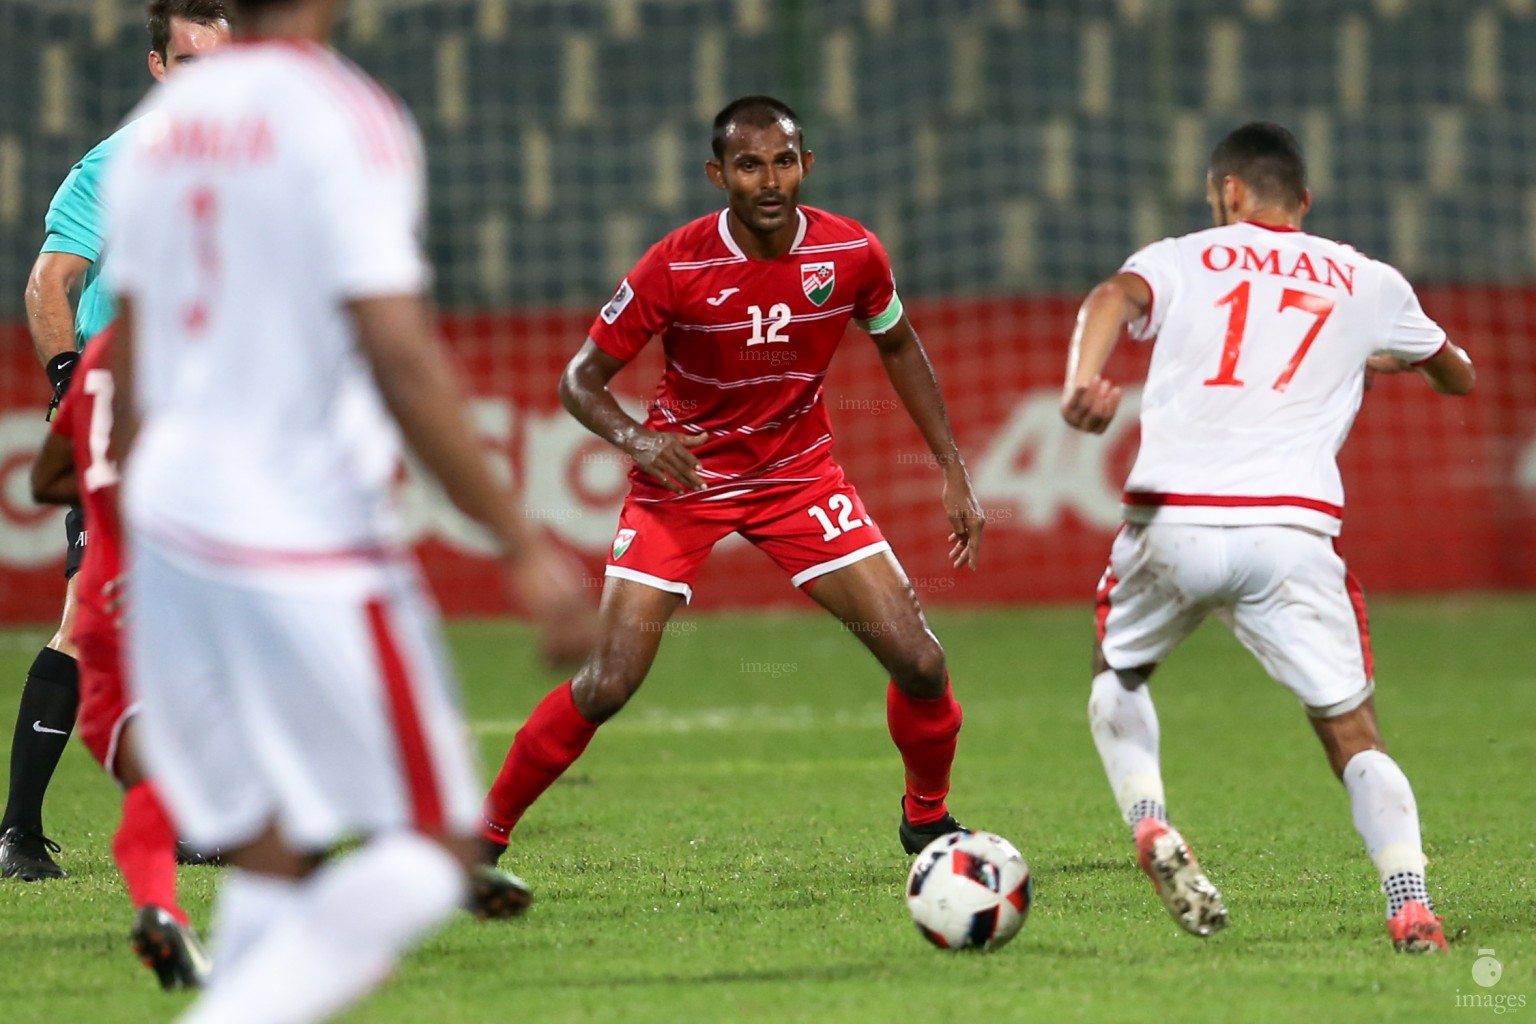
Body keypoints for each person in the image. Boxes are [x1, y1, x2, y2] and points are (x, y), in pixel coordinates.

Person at [103, 0, 594, 1019]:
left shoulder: (156, 133)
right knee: (430, 849)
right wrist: (519, 542)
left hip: (170, 518)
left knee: (272, 850)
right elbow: (399, 348)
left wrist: (135, 536)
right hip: (297, 530)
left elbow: (135, 350)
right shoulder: (342, 115)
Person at [479, 95, 985, 863]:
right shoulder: (674, 263)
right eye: (749, 164)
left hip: (798, 476)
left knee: (919, 660)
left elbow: (901, 347)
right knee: (610, 681)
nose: (771, 179)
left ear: (806, 165)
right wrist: (639, 440)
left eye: (784, 161)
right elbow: (580, 382)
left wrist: (952, 468)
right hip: (683, 479)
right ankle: (481, 835)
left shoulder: (851, 254)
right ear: (719, 175)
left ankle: (927, 818)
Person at [1060, 121, 1475, 953]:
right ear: (1306, 201)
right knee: (1351, 729)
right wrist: (1397, 358)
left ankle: (1148, 821)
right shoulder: (1366, 279)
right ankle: (1408, 902)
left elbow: (1111, 297)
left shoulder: (1182, 255)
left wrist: (1082, 381)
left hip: (1172, 518)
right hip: (1290, 531)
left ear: (1229, 193)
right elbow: (1458, 373)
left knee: (1119, 673)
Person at [6, 0, 228, 882]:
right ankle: (17, 831)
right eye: (194, 63)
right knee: (88, 622)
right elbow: (49, 282)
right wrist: (73, 387)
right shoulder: (119, 166)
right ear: (161, 71)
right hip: (129, 418)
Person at [30, 327, 210, 990]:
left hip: (109, 595)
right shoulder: (212, 346)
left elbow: (46, 479)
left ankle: (160, 908)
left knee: (152, 774)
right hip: (189, 585)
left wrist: (106, 498)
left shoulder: (103, 351)